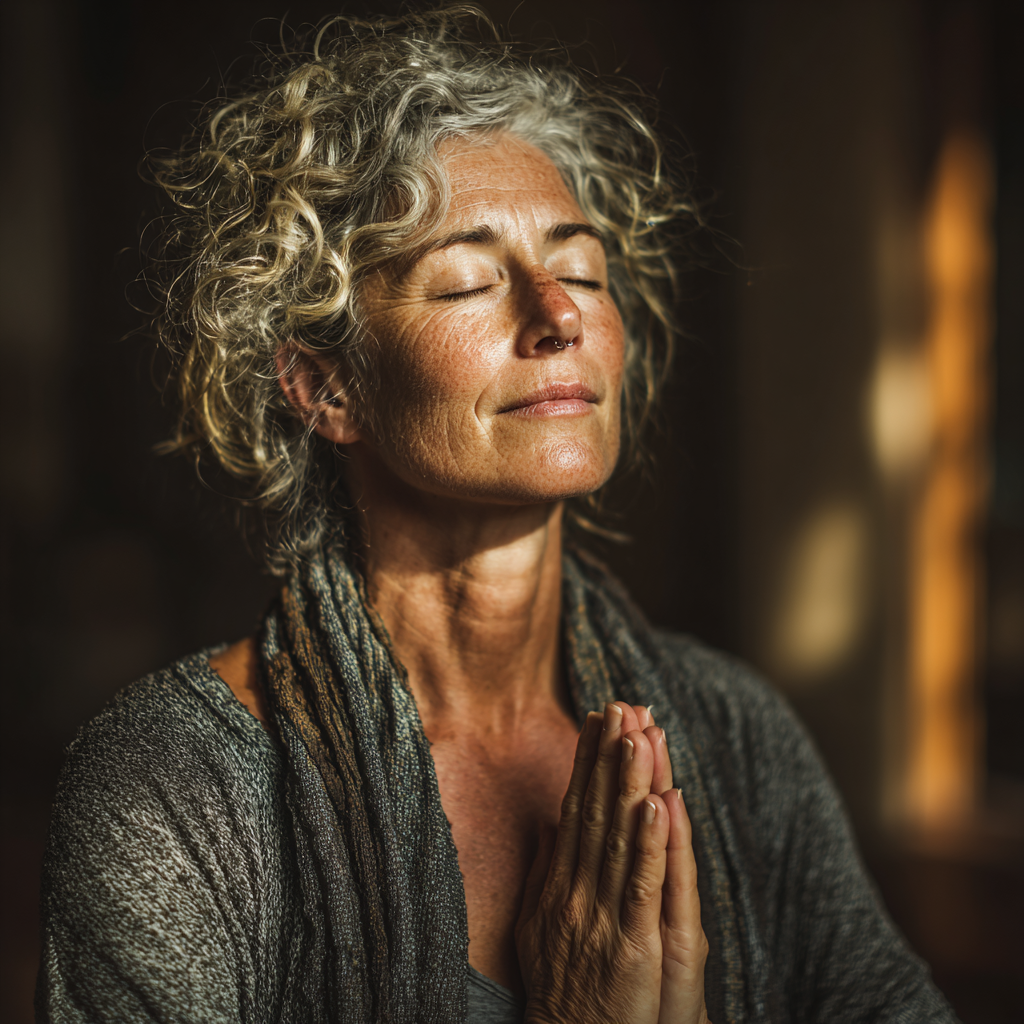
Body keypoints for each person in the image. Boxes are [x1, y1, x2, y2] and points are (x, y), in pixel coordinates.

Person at [36, 7, 958, 1024]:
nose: (558, 316)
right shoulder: (178, 782)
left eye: (581, 271)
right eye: (468, 282)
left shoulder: (735, 735)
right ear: (326, 387)